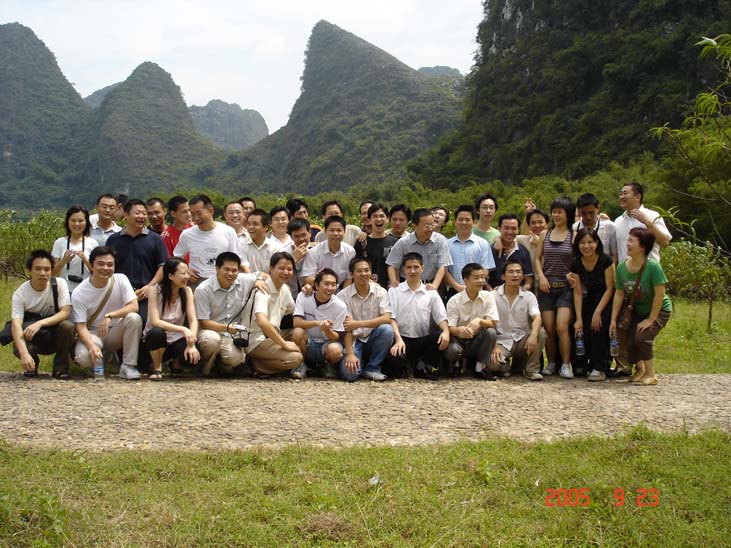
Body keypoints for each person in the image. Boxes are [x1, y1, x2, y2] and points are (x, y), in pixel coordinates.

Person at [610, 227, 672, 385]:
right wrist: (613, 319)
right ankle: (641, 370)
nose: (627, 244)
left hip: (659, 310)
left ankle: (651, 374)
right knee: (630, 341)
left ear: (643, 246)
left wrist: (651, 319)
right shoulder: (621, 267)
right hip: (637, 310)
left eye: (632, 241)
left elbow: (659, 295)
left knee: (642, 337)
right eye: (628, 240)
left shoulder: (653, 267)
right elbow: (619, 294)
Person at [71, 247, 143, 380]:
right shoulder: (79, 293)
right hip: (93, 333)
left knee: (134, 318)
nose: (105, 268)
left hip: (115, 331)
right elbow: (80, 326)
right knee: (83, 357)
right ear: (91, 265)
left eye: (110, 265)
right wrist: (91, 346)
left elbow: (134, 306)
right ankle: (99, 360)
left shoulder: (121, 279)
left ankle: (128, 366)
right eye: (100, 264)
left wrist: (110, 315)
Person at [194, 252, 268, 376]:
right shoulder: (203, 289)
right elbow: (204, 322)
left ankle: (221, 367)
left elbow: (262, 274)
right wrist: (227, 328)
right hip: (209, 330)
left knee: (234, 359)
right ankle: (207, 368)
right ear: (217, 269)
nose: (230, 274)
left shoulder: (243, 280)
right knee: (211, 341)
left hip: (231, 334)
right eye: (226, 269)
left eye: (234, 270)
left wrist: (259, 280)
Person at [6, 250, 74, 379]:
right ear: (29, 271)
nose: (43, 273)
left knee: (68, 326)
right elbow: (16, 325)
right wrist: (24, 353)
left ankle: (61, 368)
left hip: (54, 335)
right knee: (19, 343)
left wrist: (39, 323)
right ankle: (32, 364)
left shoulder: (59, 284)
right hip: (32, 338)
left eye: (47, 269)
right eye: (38, 269)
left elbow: (65, 312)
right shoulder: (20, 294)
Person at [385, 253, 450, 380]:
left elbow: (441, 317)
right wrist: (398, 339)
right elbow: (391, 318)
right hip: (400, 339)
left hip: (421, 339)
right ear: (403, 269)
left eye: (416, 267)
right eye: (409, 267)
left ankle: (422, 367)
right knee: (394, 361)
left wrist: (446, 332)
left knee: (439, 335)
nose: (412, 271)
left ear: (422, 268)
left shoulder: (430, 292)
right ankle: (404, 367)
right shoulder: (395, 291)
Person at [106, 198, 169, 329]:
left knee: (144, 325)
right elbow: (107, 266)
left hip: (146, 294)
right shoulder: (113, 240)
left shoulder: (155, 239)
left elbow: (163, 266)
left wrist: (149, 287)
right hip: (119, 295)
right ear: (126, 215)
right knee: (117, 326)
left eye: (144, 213)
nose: (142, 216)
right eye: (137, 213)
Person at [242, 252, 303, 376]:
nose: (285, 272)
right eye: (281, 268)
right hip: (256, 340)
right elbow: (262, 322)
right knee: (295, 358)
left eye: (289, 269)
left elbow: (295, 311)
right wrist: (284, 344)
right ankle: (254, 364)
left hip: (273, 335)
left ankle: (260, 365)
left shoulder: (284, 289)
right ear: (271, 268)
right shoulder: (262, 289)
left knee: (300, 332)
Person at [534, 196, 575, 378]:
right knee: (549, 328)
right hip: (546, 288)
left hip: (565, 288)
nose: (556, 215)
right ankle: (551, 363)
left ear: (568, 214)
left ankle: (565, 364)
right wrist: (541, 277)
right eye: (554, 212)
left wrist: (572, 274)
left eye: (560, 212)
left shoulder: (573, 234)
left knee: (561, 327)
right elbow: (537, 258)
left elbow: (578, 259)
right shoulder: (545, 234)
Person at [142, 257, 200, 380]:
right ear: (170, 276)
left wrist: (191, 344)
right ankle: (157, 367)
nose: (187, 277)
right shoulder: (155, 290)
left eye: (187, 273)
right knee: (157, 333)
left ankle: (176, 365)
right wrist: (183, 329)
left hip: (175, 338)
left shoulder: (187, 291)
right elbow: (155, 321)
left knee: (192, 355)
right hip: (156, 340)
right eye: (183, 273)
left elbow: (193, 320)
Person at [338, 257, 394, 381]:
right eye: (359, 271)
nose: (364, 274)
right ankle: (358, 362)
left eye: (366, 270)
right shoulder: (342, 296)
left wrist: (358, 324)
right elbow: (347, 327)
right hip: (354, 340)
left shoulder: (381, 292)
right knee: (350, 375)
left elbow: (386, 318)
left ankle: (372, 368)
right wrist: (350, 354)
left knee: (387, 330)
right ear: (351, 274)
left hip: (373, 336)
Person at [570, 228, 615, 382]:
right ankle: (581, 364)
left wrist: (598, 312)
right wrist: (578, 318)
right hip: (587, 300)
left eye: (590, 242)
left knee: (598, 327)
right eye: (582, 242)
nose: (586, 246)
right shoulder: (576, 263)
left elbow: (610, 288)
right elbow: (577, 292)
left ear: (597, 243)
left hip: (605, 301)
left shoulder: (605, 260)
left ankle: (600, 367)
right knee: (580, 328)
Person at [174, 194, 245, 288]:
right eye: (193, 214)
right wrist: (187, 271)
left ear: (211, 211)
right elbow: (177, 257)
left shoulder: (228, 231)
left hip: (222, 280)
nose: (196, 218)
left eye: (199, 213)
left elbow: (236, 257)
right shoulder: (187, 234)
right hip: (197, 281)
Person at [492, 258, 546, 380]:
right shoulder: (492, 296)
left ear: (522, 276)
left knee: (540, 333)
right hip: (501, 341)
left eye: (518, 272)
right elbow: (488, 323)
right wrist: (493, 346)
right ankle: (506, 367)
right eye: (511, 272)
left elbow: (537, 317)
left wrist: (533, 335)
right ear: (503, 276)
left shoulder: (529, 296)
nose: (515, 275)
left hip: (522, 340)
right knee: (492, 364)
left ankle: (532, 370)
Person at [444, 263, 499, 380]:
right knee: (453, 350)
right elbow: (449, 328)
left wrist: (480, 321)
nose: (481, 281)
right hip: (458, 340)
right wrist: (459, 330)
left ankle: (479, 369)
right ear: (466, 280)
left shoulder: (488, 296)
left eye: (483, 277)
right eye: (476, 278)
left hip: (477, 339)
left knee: (491, 332)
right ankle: (455, 365)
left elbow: (493, 322)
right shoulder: (454, 301)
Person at [292, 268, 348, 379]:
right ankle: (300, 364)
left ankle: (326, 365)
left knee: (335, 350)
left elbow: (337, 336)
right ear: (316, 286)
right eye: (326, 284)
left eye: (333, 285)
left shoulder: (340, 306)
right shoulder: (303, 296)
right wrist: (318, 323)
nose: (330, 288)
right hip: (308, 342)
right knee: (297, 332)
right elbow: (296, 322)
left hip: (327, 343)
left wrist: (327, 330)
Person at [386, 208, 452, 290]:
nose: (430, 228)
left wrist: (434, 285)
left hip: (431, 285)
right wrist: (394, 283)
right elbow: (392, 264)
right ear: (415, 226)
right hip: (408, 287)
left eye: (432, 224)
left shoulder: (440, 240)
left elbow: (442, 266)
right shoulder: (404, 242)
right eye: (426, 225)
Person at [615, 182, 672, 263]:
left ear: (637, 197)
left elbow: (665, 242)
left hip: (649, 269)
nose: (621, 197)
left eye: (625, 193)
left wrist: (648, 223)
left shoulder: (652, 216)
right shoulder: (617, 221)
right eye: (621, 194)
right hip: (625, 270)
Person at [445, 205, 495, 296]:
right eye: (460, 219)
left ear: (473, 222)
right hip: (453, 291)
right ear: (455, 222)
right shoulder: (447, 244)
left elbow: (485, 268)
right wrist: (457, 286)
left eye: (467, 220)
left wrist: (472, 285)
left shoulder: (482, 243)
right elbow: (444, 270)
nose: (464, 222)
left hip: (477, 290)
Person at [51, 205, 99, 293]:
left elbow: (97, 272)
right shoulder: (59, 242)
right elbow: (52, 272)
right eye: (73, 220)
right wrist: (64, 261)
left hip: (87, 290)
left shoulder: (93, 243)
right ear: (67, 221)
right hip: (64, 291)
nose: (77, 224)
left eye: (81, 221)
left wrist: (85, 259)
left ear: (86, 222)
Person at [353, 203, 398, 290]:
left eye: (382, 216)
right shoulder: (362, 242)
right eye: (375, 216)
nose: (378, 219)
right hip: (367, 288)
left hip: (391, 288)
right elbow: (356, 266)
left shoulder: (394, 242)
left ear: (387, 219)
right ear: (369, 219)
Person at [302, 216, 355, 287]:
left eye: (339, 230)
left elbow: (348, 279)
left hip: (341, 290)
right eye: (332, 230)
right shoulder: (313, 252)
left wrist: (343, 294)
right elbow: (308, 280)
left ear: (344, 232)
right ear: (325, 231)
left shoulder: (350, 252)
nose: (335, 233)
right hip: (318, 290)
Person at [489, 214, 534, 290]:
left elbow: (528, 279)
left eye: (513, 228)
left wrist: (523, 292)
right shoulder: (490, 250)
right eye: (506, 228)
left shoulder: (523, 251)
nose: (510, 232)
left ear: (518, 230)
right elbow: (484, 277)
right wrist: (491, 293)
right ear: (499, 229)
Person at [573, 193, 618, 264]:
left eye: (591, 213)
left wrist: (611, 269)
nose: (588, 217)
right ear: (578, 210)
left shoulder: (609, 227)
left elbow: (614, 254)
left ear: (597, 208)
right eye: (584, 213)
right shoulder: (574, 228)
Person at [243, 208, 282, 273]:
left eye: (255, 224)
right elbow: (243, 267)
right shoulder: (241, 245)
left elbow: (278, 270)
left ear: (266, 227)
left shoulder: (275, 247)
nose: (250, 227)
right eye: (249, 224)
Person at [282, 218, 312, 297]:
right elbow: (279, 275)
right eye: (296, 236)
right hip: (290, 295)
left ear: (310, 233)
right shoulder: (284, 252)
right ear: (291, 237)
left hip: (311, 295)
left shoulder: (316, 251)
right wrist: (294, 259)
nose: (301, 239)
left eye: (303, 235)